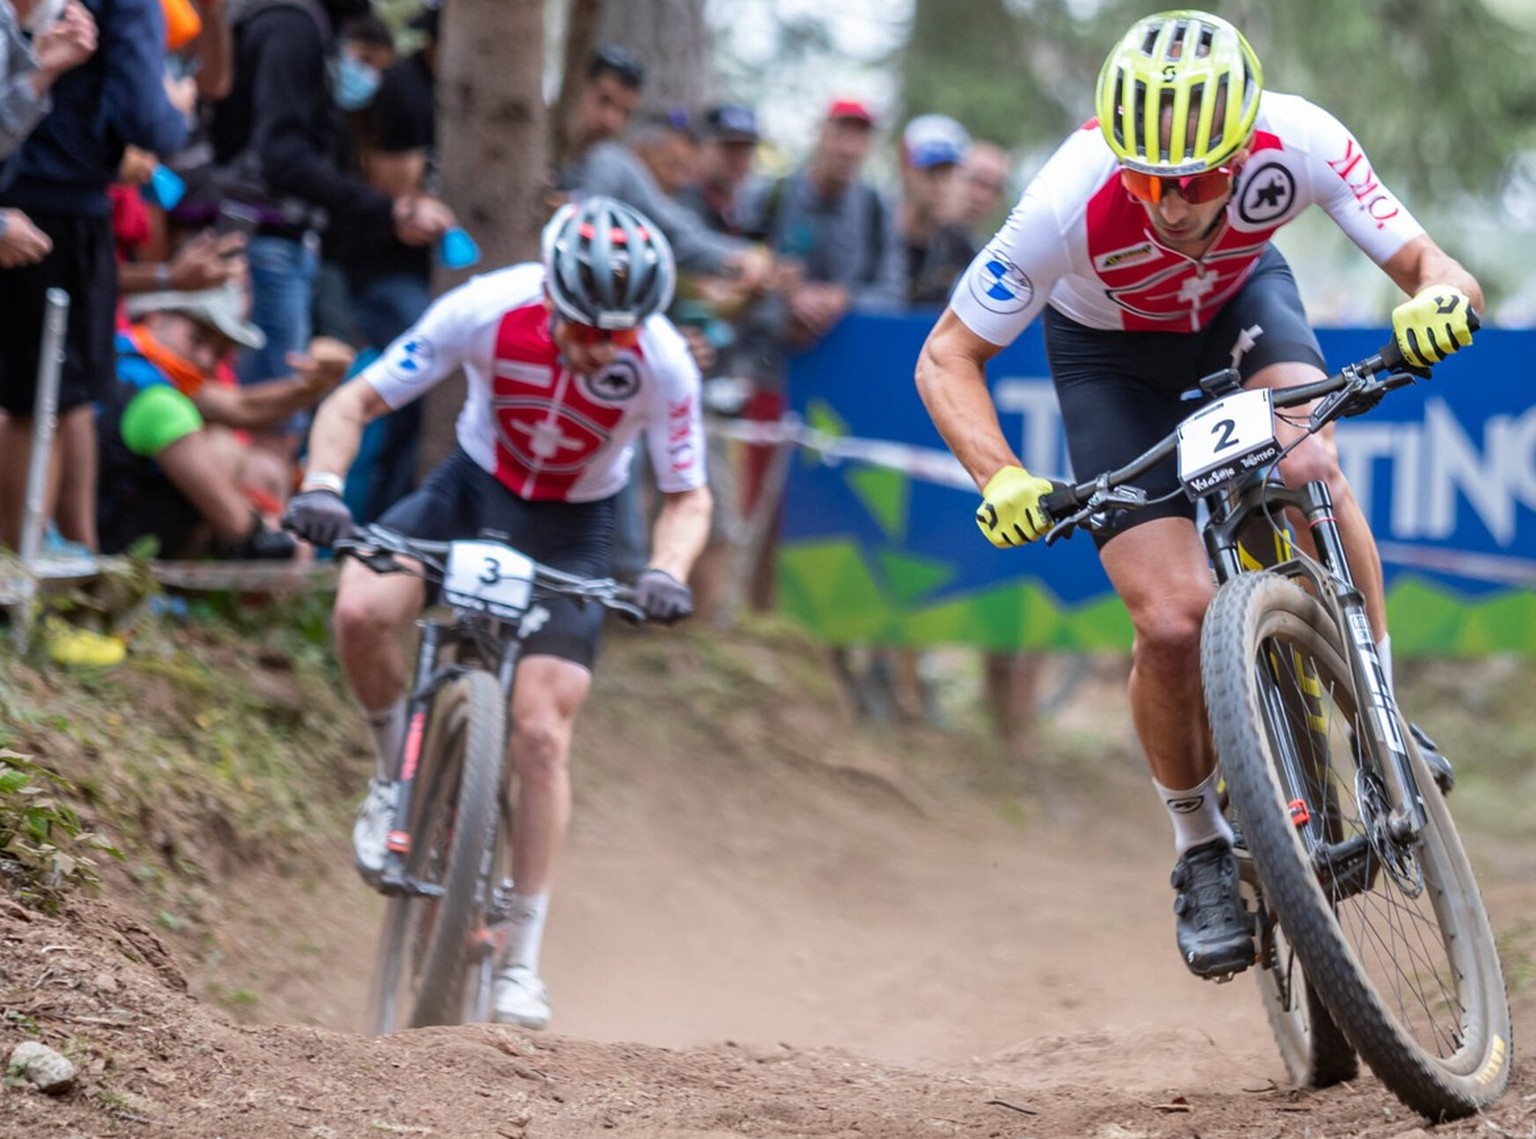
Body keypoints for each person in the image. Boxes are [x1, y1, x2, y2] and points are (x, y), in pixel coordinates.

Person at [914, 10, 1478, 980]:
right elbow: (947, 357)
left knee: (1308, 469)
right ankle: (1200, 845)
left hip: (1240, 307)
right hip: (1108, 363)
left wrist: (1438, 301)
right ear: (1117, 160)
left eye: (1201, 180)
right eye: (1150, 181)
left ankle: (1381, 713)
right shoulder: (1064, 198)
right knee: (1173, 622)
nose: (1174, 205)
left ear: (1242, 146)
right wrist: (999, 474)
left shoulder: (1298, 138)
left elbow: (1433, 265)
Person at [282, 196, 712, 1030]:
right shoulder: (486, 307)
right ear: (549, 294)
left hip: (576, 524)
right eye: (581, 327)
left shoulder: (664, 364)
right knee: (364, 609)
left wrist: (666, 568)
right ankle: (389, 775)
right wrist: (322, 487)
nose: (596, 350)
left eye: (615, 336)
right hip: (470, 489)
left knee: (543, 732)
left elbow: (688, 495)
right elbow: (353, 402)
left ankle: (521, 957)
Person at [209, 0, 453, 458]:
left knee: (278, 420)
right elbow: (278, 153)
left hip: (283, 247)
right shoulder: (291, 26)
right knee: (269, 431)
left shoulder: (307, 27)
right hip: (266, 248)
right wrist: (385, 209)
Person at [0, 0, 185, 555]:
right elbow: (147, 119)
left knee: (67, 396)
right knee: (36, 403)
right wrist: (178, 112)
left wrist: (45, 72)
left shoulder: (26, 24)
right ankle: (20, 573)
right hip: (48, 215)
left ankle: (71, 565)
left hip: (42, 210)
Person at [97, 283, 351, 558]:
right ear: (156, 316)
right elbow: (239, 526)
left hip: (116, 536)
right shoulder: (152, 394)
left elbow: (244, 407)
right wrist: (266, 537)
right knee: (222, 447)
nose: (206, 360)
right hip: (112, 547)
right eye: (197, 338)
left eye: (219, 353)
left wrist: (313, 385)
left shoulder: (140, 370)